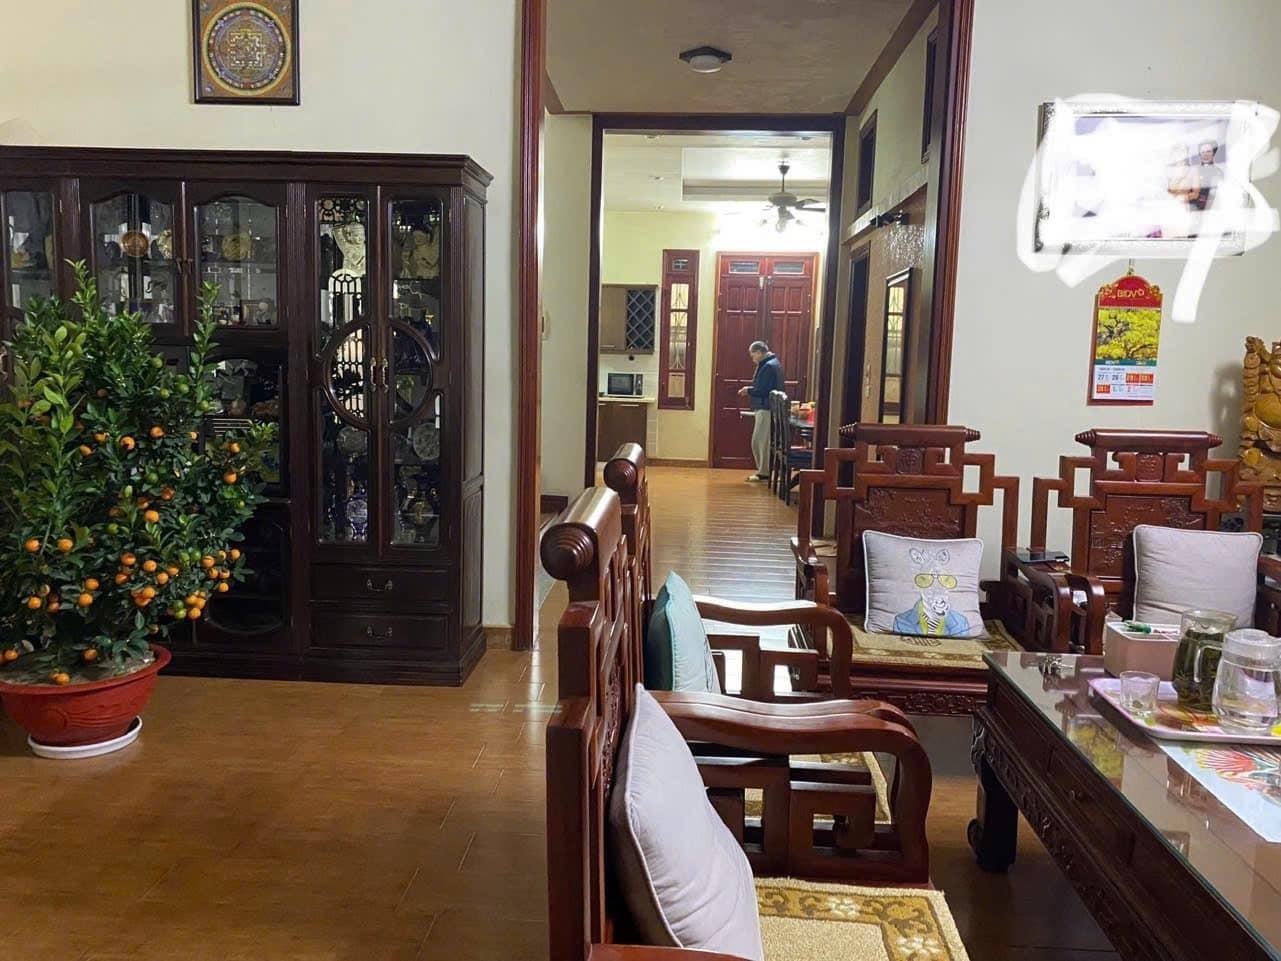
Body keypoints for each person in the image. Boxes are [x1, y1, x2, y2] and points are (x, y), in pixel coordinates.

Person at [738, 341, 784, 482]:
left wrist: (748, 390)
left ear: (759, 352)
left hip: (766, 408)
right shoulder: (772, 363)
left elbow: (763, 390)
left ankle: (764, 473)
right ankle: (764, 471)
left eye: (753, 356)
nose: (753, 359)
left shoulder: (768, 366)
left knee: (761, 442)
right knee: (760, 441)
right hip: (766, 408)